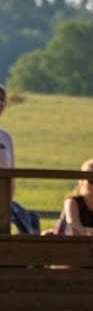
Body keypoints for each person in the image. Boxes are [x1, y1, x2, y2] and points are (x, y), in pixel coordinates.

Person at [0, 84, 39, 235]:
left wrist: (7, 202)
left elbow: (12, 174)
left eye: (2, 100)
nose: (0, 104)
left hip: (3, 204)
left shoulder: (5, 137)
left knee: (29, 221)